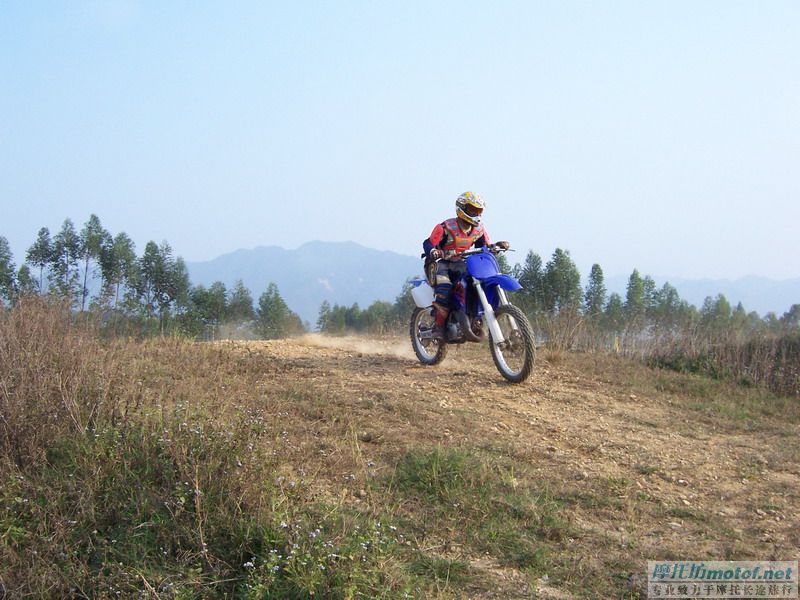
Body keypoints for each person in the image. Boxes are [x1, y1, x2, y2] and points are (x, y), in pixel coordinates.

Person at [422, 191, 509, 340]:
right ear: (462, 208)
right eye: (472, 210)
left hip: (463, 264)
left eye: (478, 211)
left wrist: (496, 246)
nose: (476, 214)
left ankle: (472, 317)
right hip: (442, 264)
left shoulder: (479, 229)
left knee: (476, 284)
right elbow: (428, 242)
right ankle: (438, 327)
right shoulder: (446, 226)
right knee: (445, 289)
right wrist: (434, 251)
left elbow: (485, 246)